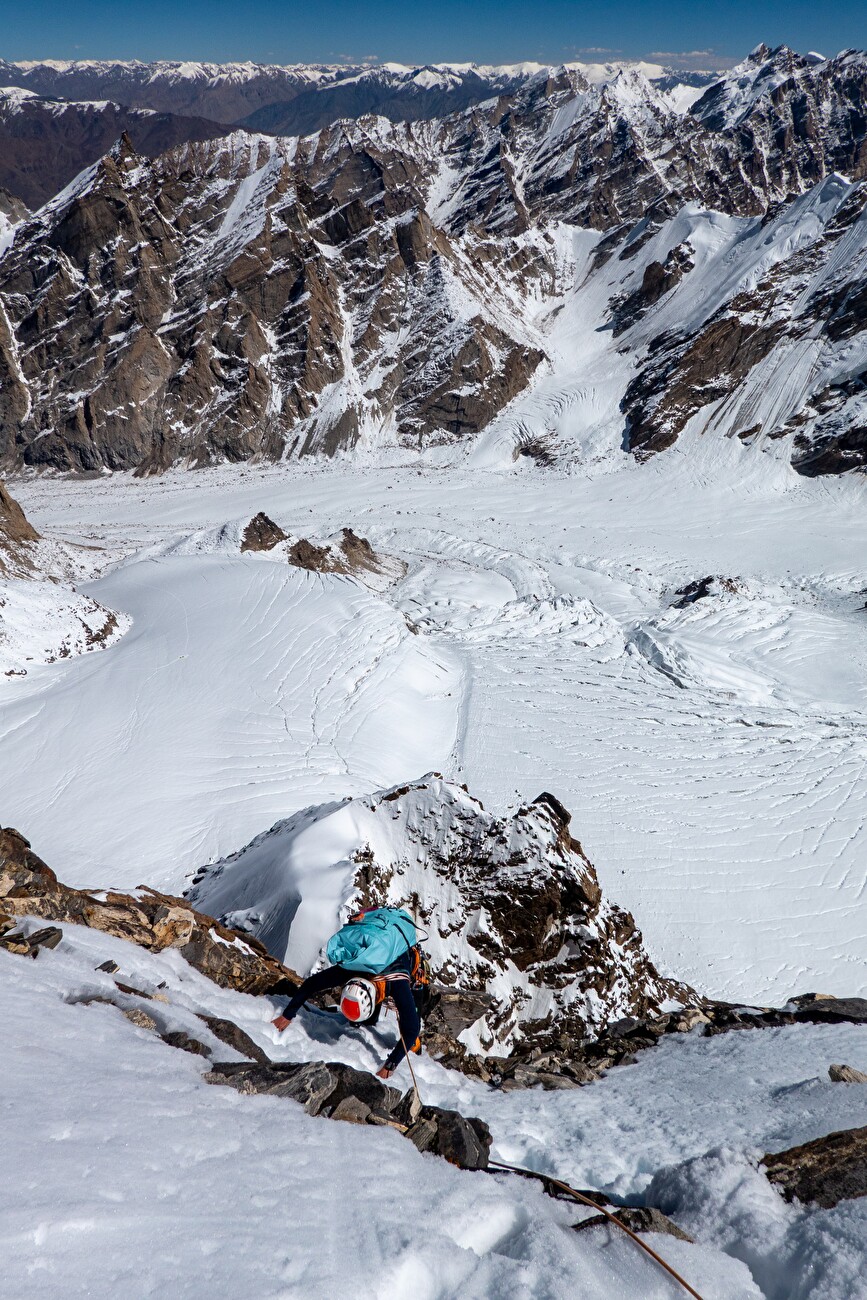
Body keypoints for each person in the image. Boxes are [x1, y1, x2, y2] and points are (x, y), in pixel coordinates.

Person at [271, 926, 424, 1080]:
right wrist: (287, 1015)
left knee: (413, 1023)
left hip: (408, 958)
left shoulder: (398, 983)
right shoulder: (351, 969)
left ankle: (415, 1046)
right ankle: (369, 1019)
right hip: (382, 951)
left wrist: (390, 1065)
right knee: (368, 1020)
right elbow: (311, 984)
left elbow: (411, 1029)